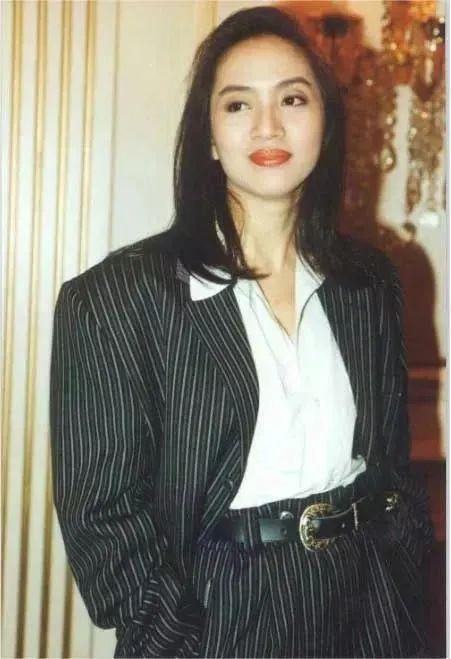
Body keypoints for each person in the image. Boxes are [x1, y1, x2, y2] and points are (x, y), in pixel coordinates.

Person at [50, 6, 433, 658]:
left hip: (370, 606)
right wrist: (178, 641)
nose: (267, 125)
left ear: (325, 123)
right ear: (207, 136)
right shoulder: (117, 298)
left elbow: (393, 466)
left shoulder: (370, 282)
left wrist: (403, 590)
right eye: (237, 104)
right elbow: (103, 522)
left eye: (292, 98)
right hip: (219, 617)